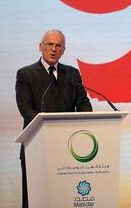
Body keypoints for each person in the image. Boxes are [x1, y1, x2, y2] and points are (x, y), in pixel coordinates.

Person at [15, 29, 92, 208]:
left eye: (58, 46)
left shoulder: (71, 74)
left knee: (65, 199)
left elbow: (83, 104)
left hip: (68, 149)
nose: (53, 49)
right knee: (34, 201)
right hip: (36, 147)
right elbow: (26, 109)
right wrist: (49, 133)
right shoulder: (26, 74)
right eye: (50, 44)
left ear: (64, 50)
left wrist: (86, 121)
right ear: (40, 47)